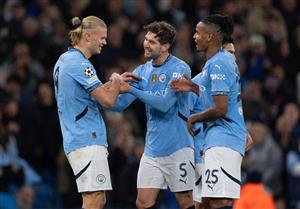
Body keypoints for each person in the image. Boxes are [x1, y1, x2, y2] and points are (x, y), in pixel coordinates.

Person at [52, 16, 136, 209]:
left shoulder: (65, 59)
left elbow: (87, 95)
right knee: (94, 201)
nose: (105, 42)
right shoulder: (80, 65)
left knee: (99, 199)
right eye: (102, 37)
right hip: (86, 138)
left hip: (79, 137)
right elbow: (107, 100)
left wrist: (113, 86)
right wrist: (115, 81)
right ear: (88, 36)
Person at [111, 21, 195, 209]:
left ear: (165, 46)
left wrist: (132, 90)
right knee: (143, 202)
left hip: (178, 147)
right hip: (153, 149)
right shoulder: (142, 70)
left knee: (186, 201)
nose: (146, 44)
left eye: (152, 42)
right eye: (146, 39)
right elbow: (118, 106)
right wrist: (111, 85)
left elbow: (165, 104)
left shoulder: (180, 69)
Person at [170, 14, 247, 209]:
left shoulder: (220, 62)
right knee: (204, 200)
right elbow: (215, 93)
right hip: (215, 138)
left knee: (218, 200)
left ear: (210, 36)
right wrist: (193, 86)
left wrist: (195, 117)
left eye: (198, 33)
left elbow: (221, 108)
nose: (194, 37)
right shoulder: (214, 62)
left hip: (225, 138)